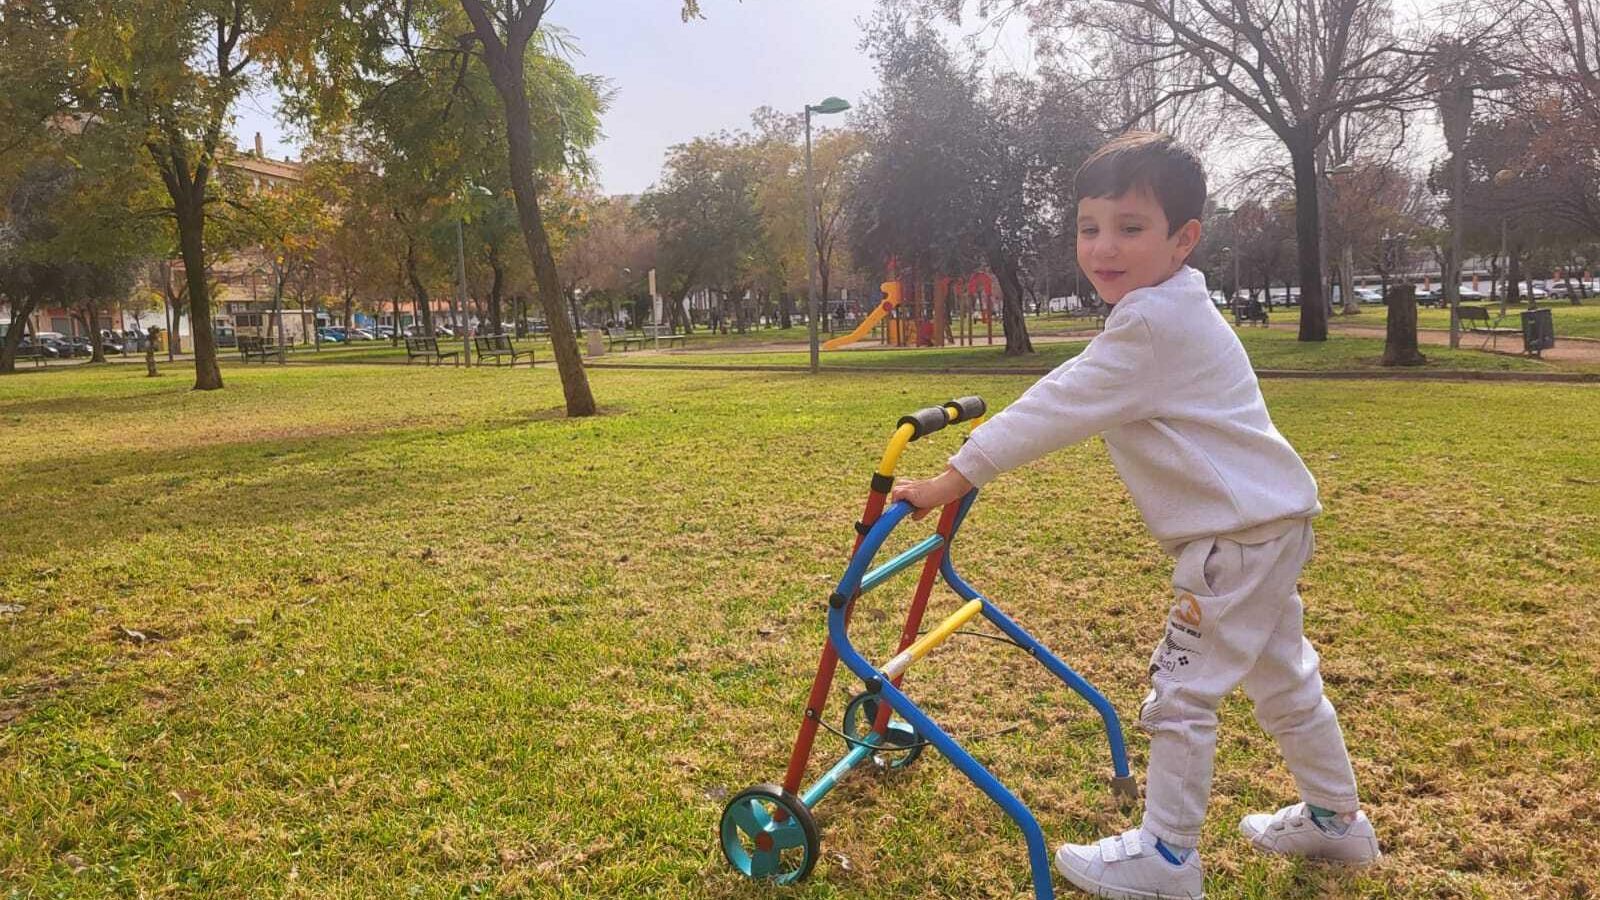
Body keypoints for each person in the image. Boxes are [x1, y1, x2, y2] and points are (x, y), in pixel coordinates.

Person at [890, 132, 1379, 900]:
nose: (1103, 248)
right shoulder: (1169, 308)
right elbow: (1076, 388)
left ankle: (1169, 860)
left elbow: (1059, 404)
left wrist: (948, 479)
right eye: (1090, 228)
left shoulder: (1152, 323)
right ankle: (1335, 818)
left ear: (1183, 238)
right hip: (1272, 524)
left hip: (1235, 540)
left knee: (1180, 694)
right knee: (1284, 675)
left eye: (1130, 228)